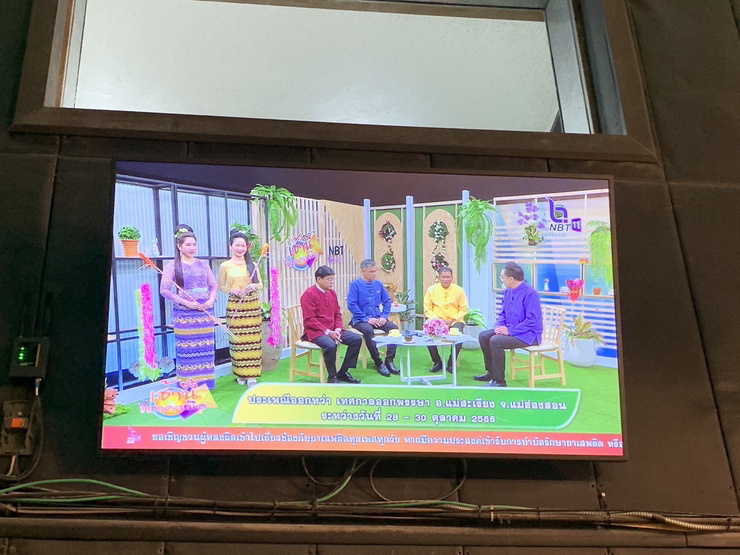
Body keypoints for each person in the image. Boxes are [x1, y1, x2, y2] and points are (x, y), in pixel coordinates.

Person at [160, 225, 218, 389]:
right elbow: (164, 290)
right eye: (188, 245)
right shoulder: (172, 266)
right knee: (187, 351)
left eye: (194, 244)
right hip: (185, 314)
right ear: (179, 246)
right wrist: (186, 303)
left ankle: (205, 384)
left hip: (205, 312)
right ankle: (188, 385)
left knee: (205, 348)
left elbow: (213, 285)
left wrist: (211, 299)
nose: (192, 248)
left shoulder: (203, 264)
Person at [477, 261, 543, 387]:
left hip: (528, 335)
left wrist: (510, 331)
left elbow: (532, 320)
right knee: (484, 336)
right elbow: (503, 313)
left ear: (511, 279)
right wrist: (499, 326)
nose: (501, 279)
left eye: (502, 277)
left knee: (496, 341)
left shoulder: (530, 294)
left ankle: (499, 381)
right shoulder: (508, 291)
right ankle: (492, 373)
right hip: (511, 329)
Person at [301, 265, 363, 383]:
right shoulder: (309, 294)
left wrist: (338, 329)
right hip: (315, 331)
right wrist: (328, 332)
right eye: (329, 279)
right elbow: (310, 319)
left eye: (332, 279)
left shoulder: (332, 293)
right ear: (319, 279)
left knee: (356, 339)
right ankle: (332, 376)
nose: (332, 282)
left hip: (333, 329)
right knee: (330, 345)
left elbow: (337, 314)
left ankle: (343, 372)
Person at [218, 229, 263, 385]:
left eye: (243, 246)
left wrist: (253, 286)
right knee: (238, 341)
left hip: (252, 306)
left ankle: (252, 375)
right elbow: (221, 286)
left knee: (252, 341)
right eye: (237, 245)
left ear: (247, 247)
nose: (240, 248)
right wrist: (232, 290)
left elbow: (261, 284)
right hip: (235, 306)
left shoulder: (252, 265)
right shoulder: (225, 266)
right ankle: (240, 374)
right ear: (231, 246)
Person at [347, 259, 399, 377]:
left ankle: (389, 360)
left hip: (378, 317)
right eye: (371, 272)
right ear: (363, 271)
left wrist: (384, 317)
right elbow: (351, 305)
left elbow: (387, 301)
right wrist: (366, 319)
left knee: (394, 329)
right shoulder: (355, 285)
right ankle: (378, 362)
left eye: (375, 271)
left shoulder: (378, 284)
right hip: (360, 320)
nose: (374, 274)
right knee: (368, 330)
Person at [423, 266, 469, 373]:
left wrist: (453, 319)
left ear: (452, 277)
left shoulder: (459, 290)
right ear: (439, 277)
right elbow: (427, 308)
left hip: (455, 321)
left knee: (459, 336)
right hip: (437, 321)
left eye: (448, 277)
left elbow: (464, 309)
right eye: (443, 277)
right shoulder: (431, 290)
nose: (446, 279)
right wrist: (437, 320)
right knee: (428, 335)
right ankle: (437, 362)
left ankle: (451, 363)